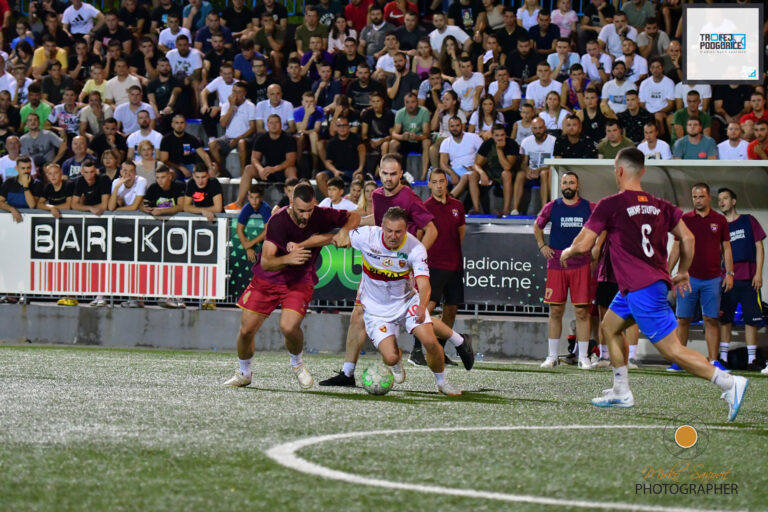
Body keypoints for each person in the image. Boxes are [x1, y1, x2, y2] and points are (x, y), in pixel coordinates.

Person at [559, 147, 748, 419]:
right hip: (640, 286)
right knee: (609, 327)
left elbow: (585, 244)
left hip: (642, 289)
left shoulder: (611, 204)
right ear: (643, 171)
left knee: (673, 350)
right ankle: (621, 391)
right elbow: (688, 238)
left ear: (619, 171)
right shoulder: (661, 205)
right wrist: (684, 271)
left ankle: (729, 383)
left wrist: (568, 251)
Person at [319, 154, 450, 387]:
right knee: (358, 314)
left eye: (393, 174)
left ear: (400, 174)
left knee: (413, 319)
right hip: (379, 263)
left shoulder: (408, 197)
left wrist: (412, 260)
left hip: (401, 269)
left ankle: (454, 346)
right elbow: (377, 223)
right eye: (385, 174)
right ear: (379, 173)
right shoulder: (378, 195)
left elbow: (431, 230)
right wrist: (350, 225)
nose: (388, 178)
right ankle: (349, 372)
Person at [223, 183, 360, 389]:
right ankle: (244, 373)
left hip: (299, 280)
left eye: (309, 210)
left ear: (315, 204)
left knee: (289, 327)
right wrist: (288, 258)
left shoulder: (321, 214)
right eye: (301, 210)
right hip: (268, 279)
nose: (306, 215)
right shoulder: (278, 221)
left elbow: (355, 216)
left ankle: (297, 365)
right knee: (246, 330)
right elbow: (266, 262)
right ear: (290, 203)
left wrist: (345, 231)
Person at [349, 207, 463, 396]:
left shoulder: (415, 248)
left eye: (398, 232)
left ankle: (442, 382)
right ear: (381, 227)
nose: (393, 236)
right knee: (390, 357)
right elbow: (338, 235)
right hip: (376, 310)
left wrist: (422, 306)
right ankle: (396, 362)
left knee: (430, 341)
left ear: (406, 230)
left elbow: (424, 284)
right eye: (389, 231)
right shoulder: (365, 236)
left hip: (407, 302)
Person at [668, 183, 733, 372]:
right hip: (687, 279)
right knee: (682, 319)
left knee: (711, 319)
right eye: (695, 197)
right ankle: (680, 361)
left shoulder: (720, 220)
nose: (697, 200)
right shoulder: (685, 219)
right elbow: (677, 247)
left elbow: (726, 248)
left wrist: (730, 273)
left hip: (712, 279)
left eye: (701, 196)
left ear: (709, 197)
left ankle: (713, 361)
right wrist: (667, 271)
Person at [407, 168, 468, 366]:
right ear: (429, 184)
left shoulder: (457, 206)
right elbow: (418, 236)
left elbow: (460, 233)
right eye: (435, 182)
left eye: (442, 181)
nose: (439, 185)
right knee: (426, 307)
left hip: (455, 266)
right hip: (433, 265)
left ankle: (439, 351)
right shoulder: (424, 208)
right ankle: (416, 350)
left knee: (451, 309)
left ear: (446, 183)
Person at [534, 171, 595, 369]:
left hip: (581, 264)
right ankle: (552, 357)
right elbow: (537, 226)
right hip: (556, 266)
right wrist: (542, 246)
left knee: (582, 312)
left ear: (578, 186)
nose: (568, 186)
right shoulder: (552, 206)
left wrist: (595, 248)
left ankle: (583, 358)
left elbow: (602, 229)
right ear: (561, 186)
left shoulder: (589, 207)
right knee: (556, 311)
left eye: (571, 182)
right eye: (565, 182)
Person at [716, 188, 765, 372]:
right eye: (719, 199)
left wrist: (758, 273)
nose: (721, 202)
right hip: (727, 280)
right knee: (725, 320)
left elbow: (759, 247)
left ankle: (752, 360)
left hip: (749, 279)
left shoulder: (748, 220)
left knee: (751, 320)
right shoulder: (720, 226)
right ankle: (723, 359)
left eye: (725, 198)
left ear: (734, 201)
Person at [209, 81, 257, 178]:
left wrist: (237, 139)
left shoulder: (251, 106)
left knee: (241, 143)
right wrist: (231, 107)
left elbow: (253, 128)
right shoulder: (226, 105)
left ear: (244, 93)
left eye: (239, 92)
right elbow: (223, 124)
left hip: (245, 138)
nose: (235, 95)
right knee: (212, 144)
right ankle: (221, 173)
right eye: (234, 91)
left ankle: (243, 174)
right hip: (228, 138)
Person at [438, 116, 484, 207]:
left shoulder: (473, 137)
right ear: (449, 127)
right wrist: (452, 174)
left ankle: (448, 201)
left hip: (470, 169)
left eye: (457, 125)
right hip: (454, 169)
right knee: (437, 178)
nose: (455, 128)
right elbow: (443, 163)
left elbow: (484, 155)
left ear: (462, 126)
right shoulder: (446, 142)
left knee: (466, 176)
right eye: (452, 126)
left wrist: (476, 165)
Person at [473, 124, 518, 216]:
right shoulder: (488, 144)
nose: (500, 138)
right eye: (497, 135)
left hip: (507, 174)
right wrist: (482, 173)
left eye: (502, 135)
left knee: (506, 174)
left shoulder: (511, 144)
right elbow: (476, 164)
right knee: (473, 175)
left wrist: (499, 150)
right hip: (491, 172)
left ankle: (506, 210)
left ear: (506, 135)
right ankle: (476, 209)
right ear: (492, 136)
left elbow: (507, 167)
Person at [514, 117, 555, 215]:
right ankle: (515, 209)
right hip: (532, 171)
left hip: (546, 171)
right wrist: (527, 170)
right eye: (535, 128)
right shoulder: (526, 141)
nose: (538, 131)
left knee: (544, 173)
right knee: (520, 175)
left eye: (540, 128)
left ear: (545, 128)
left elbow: (554, 164)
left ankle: (544, 209)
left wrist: (539, 170)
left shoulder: (553, 141)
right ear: (531, 129)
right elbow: (523, 163)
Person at [317, 117, 365, 197]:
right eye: (339, 126)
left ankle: (355, 201)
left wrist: (360, 168)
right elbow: (328, 162)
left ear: (348, 126)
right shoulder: (332, 142)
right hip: (337, 171)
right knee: (320, 176)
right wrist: (335, 171)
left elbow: (362, 151)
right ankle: (331, 200)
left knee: (359, 177)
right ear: (336, 127)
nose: (342, 128)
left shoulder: (356, 138)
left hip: (353, 171)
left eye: (344, 125)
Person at [158, 115, 212, 180]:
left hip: (188, 165)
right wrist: (181, 168)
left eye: (182, 123)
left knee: (202, 173)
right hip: (172, 166)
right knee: (170, 173)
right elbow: (164, 160)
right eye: (177, 123)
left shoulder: (191, 138)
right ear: (172, 125)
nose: (179, 125)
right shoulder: (166, 139)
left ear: (185, 124)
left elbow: (204, 155)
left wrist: (211, 168)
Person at [390, 93, 431, 179]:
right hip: (406, 141)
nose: (410, 105)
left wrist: (417, 137)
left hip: (419, 141)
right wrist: (402, 137)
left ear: (417, 102)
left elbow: (426, 134)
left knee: (427, 142)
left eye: (413, 102)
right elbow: (394, 133)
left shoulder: (424, 112)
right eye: (407, 102)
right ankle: (394, 173)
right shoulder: (400, 113)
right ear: (404, 103)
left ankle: (424, 174)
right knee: (393, 143)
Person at [638, 57, 674, 138]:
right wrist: (649, 113)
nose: (655, 70)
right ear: (650, 69)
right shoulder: (644, 83)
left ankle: (660, 138)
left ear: (662, 68)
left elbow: (670, 104)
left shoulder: (669, 82)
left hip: (663, 112)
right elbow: (642, 103)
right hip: (648, 112)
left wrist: (657, 112)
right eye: (653, 67)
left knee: (658, 116)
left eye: (658, 67)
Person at [236, 184, 272, 263]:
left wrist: (250, 244)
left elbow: (268, 231)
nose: (254, 201)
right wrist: (248, 248)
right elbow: (239, 229)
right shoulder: (246, 208)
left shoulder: (266, 208)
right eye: (251, 197)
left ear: (261, 198)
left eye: (257, 197)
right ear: (248, 197)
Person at [0, 156, 40, 223]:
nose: (26, 171)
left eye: (28, 168)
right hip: (10, 219)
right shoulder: (9, 182)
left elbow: (32, 205)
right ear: (16, 168)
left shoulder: (37, 184)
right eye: (23, 168)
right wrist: (12, 209)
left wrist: (26, 186)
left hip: (29, 221)